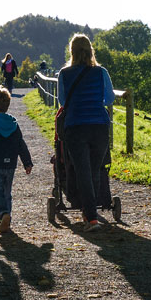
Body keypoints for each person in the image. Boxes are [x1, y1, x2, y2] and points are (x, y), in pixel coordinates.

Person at [57, 34, 115, 231]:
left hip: (76, 126)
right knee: (95, 168)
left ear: (71, 51)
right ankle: (90, 213)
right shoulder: (101, 72)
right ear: (91, 50)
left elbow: (62, 102)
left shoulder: (64, 74)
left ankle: (90, 217)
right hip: (99, 125)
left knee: (82, 171)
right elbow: (109, 99)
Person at [0, 87, 33, 234]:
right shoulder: (14, 125)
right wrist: (27, 162)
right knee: (6, 192)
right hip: (11, 165)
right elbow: (21, 145)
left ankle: (3, 214)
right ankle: (6, 219)